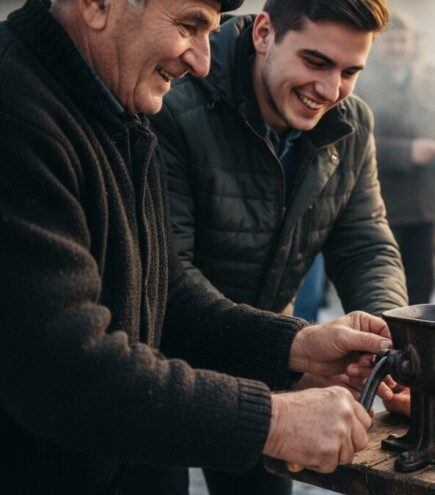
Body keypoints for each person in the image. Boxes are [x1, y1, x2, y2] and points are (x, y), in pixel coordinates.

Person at [0, 0, 396, 492]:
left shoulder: (117, 105)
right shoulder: (18, 113)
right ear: (97, 4)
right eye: (188, 26)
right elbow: (58, 369)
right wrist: (274, 419)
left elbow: (163, 294)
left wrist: (296, 345)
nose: (201, 62)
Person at [144, 0, 406, 492]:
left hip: (276, 365)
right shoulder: (171, 105)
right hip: (165, 371)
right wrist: (293, 348)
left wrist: (387, 337)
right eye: (315, 61)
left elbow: (365, 245)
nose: (330, 90)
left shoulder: (352, 124)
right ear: (264, 33)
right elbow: (169, 276)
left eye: (350, 71)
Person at [356, 11, 435, 305]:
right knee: (384, 290)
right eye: (390, 41)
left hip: (424, 203)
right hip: (383, 203)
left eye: (402, 41)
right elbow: (355, 141)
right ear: (378, 43)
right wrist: (407, 152)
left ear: (412, 43)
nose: (397, 48)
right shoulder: (361, 81)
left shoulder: (430, 81)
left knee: (422, 285)